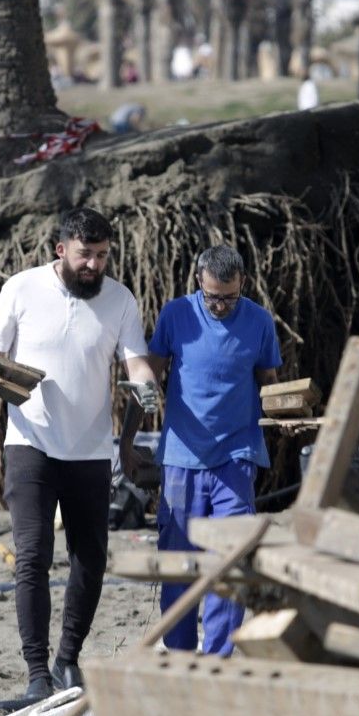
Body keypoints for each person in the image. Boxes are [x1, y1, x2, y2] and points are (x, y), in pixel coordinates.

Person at [0, 207, 158, 699]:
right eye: (85, 255)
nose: (94, 266)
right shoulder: (21, 288)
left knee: (91, 558)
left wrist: (144, 385)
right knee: (34, 556)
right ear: (61, 250)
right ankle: (37, 672)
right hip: (30, 441)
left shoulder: (120, 299)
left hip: (90, 449)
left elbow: (136, 361)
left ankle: (68, 658)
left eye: (102, 256)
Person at [146, 247, 282, 655]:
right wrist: (129, 442)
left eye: (229, 297)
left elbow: (270, 383)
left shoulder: (258, 321)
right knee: (178, 564)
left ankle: (218, 658)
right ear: (198, 283)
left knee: (230, 560)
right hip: (180, 459)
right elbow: (147, 381)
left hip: (236, 457)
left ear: (242, 283)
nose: (220, 305)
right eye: (212, 297)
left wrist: (285, 415)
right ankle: (182, 655)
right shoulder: (176, 315)